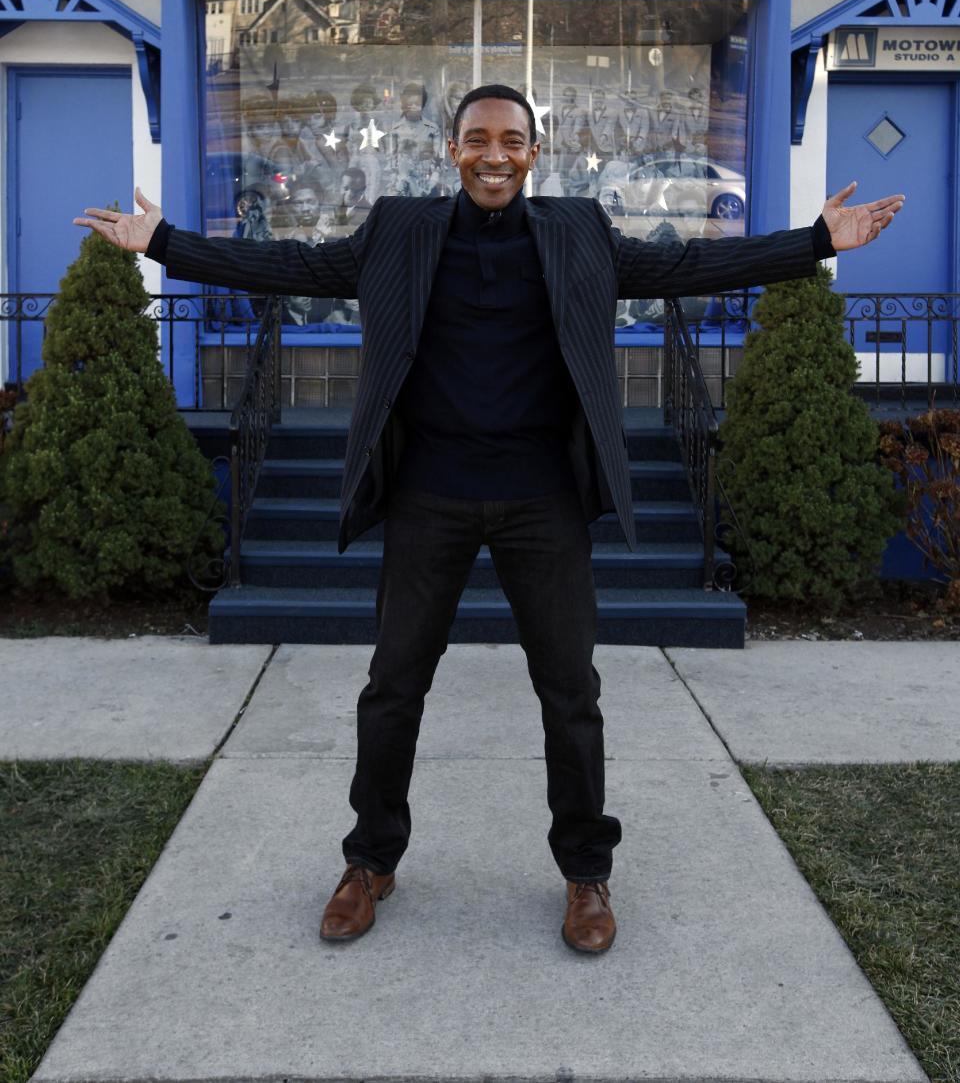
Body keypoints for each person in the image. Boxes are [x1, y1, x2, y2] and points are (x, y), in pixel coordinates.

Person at [77, 85, 903, 956]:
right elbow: (295, 267)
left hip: (543, 497)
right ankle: (370, 860)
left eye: (512, 139)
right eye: (478, 139)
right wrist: (161, 244)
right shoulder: (398, 228)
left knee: (571, 693)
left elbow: (684, 271)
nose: (495, 155)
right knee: (393, 686)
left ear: (534, 152)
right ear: (452, 148)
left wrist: (816, 243)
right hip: (429, 492)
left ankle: (587, 872)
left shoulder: (579, 229)